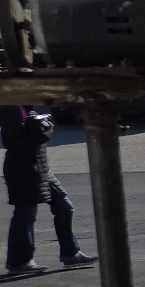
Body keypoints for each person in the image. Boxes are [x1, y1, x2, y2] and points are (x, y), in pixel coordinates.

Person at [3, 103, 92, 275]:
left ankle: (70, 253)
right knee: (25, 214)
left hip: (40, 167)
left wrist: (42, 124)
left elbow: (30, 129)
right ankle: (19, 262)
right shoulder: (9, 108)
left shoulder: (25, 106)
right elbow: (12, 141)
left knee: (65, 207)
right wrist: (42, 134)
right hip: (22, 168)